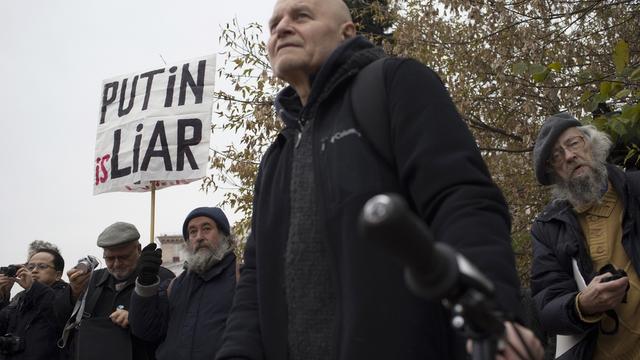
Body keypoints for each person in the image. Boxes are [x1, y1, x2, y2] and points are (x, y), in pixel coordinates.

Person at [217, 0, 543, 359]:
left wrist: (493, 318)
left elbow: (461, 201)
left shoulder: (395, 84)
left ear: (347, 33)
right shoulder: (276, 157)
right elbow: (256, 280)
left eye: (301, 16)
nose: (281, 28)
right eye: (274, 23)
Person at [530, 113, 640, 359]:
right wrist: (581, 304)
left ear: (591, 144)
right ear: (552, 171)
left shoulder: (636, 189)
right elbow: (546, 307)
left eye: (573, 143)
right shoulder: (548, 228)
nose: (569, 156)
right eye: (556, 156)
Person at [55, 222, 174, 360]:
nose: (117, 264)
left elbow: (170, 326)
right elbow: (60, 318)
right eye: (110, 258)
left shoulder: (162, 278)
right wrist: (73, 292)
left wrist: (135, 318)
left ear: (139, 249)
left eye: (124, 257)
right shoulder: (93, 279)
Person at [129, 207, 236, 360]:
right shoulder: (173, 286)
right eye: (192, 232)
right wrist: (146, 284)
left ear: (224, 236)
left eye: (206, 229)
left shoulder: (244, 279)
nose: (199, 237)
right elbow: (145, 330)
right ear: (187, 242)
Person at [0, 246, 68, 359]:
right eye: (30, 267)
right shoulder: (20, 299)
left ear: (58, 275)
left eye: (42, 267)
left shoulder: (66, 295)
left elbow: (57, 315)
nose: (34, 270)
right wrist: (3, 296)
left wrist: (33, 288)